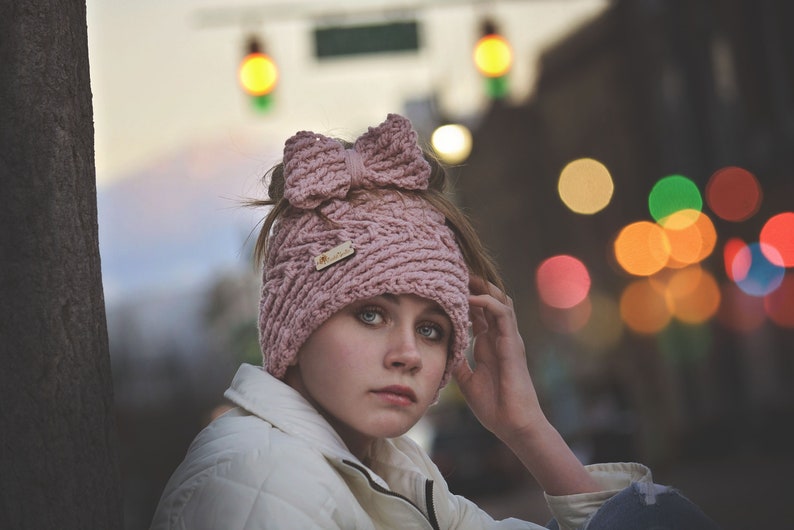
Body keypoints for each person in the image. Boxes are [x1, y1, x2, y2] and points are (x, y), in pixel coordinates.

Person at [150, 114, 720, 529]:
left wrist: (526, 428)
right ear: (296, 323)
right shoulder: (262, 482)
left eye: (432, 328)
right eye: (370, 313)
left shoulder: (388, 469)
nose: (409, 354)